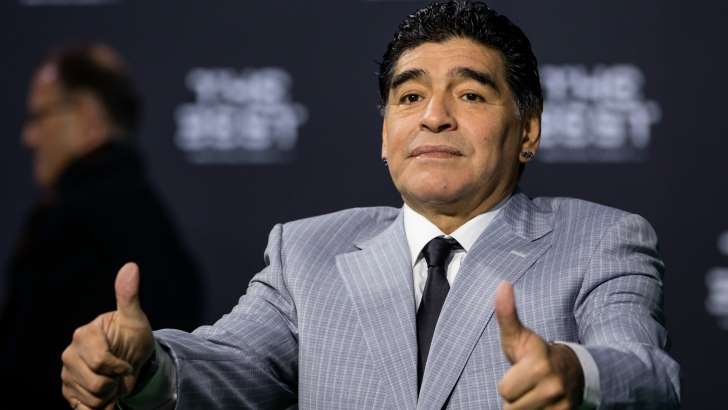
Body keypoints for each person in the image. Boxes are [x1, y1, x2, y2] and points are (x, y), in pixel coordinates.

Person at [60, 2, 680, 409]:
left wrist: (576, 374)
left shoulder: (600, 240)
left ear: (528, 131)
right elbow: (232, 363)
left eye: (469, 94)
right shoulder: (307, 251)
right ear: (385, 136)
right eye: (409, 97)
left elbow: (646, 371)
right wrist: (147, 368)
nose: (434, 116)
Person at [0, 44, 203, 409]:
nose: (28, 137)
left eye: (39, 116)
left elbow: (23, 367)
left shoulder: (69, 220)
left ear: (86, 115)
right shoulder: (150, 213)